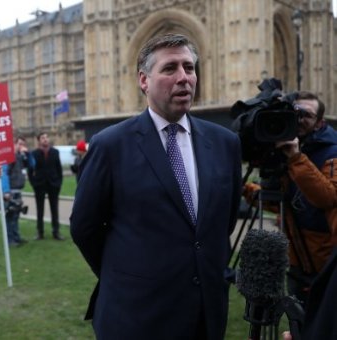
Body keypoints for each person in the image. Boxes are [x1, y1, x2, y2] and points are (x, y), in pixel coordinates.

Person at [70, 33, 242, 339]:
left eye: (189, 68)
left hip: (206, 314)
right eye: (169, 68)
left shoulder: (225, 143)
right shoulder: (110, 145)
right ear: (144, 80)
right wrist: (128, 274)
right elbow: (85, 228)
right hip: (137, 315)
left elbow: (220, 223)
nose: (183, 78)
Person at [244, 91, 337, 304]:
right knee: (297, 326)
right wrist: (246, 190)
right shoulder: (285, 148)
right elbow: (285, 202)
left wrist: (296, 157)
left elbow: (328, 198)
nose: (300, 119)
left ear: (320, 122)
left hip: (326, 264)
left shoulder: (332, 152)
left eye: (307, 115)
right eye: (296, 113)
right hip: (297, 263)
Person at [27, 132, 64, 240]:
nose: (45, 139)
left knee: (54, 209)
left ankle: (56, 231)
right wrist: (33, 184)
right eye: (43, 138)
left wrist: (59, 183)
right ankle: (40, 232)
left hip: (53, 184)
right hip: (40, 185)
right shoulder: (34, 154)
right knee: (40, 209)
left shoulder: (55, 152)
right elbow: (30, 170)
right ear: (39, 141)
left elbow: (59, 169)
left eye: (47, 137)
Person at [0, 136, 30, 246]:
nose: (21, 147)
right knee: (10, 215)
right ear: (13, 145)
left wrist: (28, 154)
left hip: (18, 190)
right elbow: (4, 173)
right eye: (19, 144)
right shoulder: (8, 157)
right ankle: (10, 239)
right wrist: (6, 191)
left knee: (16, 215)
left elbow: (32, 165)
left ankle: (16, 237)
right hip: (11, 191)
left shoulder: (20, 156)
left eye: (23, 144)